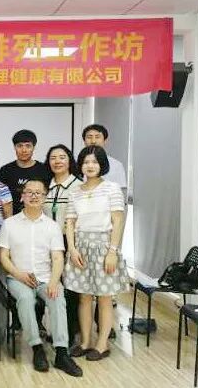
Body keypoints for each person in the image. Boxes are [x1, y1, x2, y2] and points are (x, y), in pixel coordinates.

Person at [0, 179, 83, 377]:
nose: (34, 196)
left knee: (58, 298)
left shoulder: (52, 226)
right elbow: (3, 257)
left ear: (45, 198)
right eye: (29, 192)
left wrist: (54, 282)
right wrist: (19, 274)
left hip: (46, 278)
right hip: (18, 278)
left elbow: (58, 258)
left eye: (39, 193)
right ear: (22, 196)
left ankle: (61, 352)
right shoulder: (9, 224)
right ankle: (37, 348)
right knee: (26, 299)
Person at [64, 145, 130, 361]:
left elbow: (118, 221)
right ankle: (85, 342)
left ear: (102, 165)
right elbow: (70, 222)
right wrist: (72, 248)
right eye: (86, 162)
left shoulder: (111, 188)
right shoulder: (74, 192)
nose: (90, 166)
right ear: (80, 165)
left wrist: (112, 251)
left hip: (104, 246)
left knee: (104, 298)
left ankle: (102, 344)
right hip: (80, 247)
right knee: (83, 297)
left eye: (94, 162)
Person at [43, 144, 82, 344]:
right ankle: (54, 329)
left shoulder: (78, 186)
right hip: (48, 243)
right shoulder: (46, 186)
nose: (57, 161)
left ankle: (70, 332)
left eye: (62, 157)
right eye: (53, 158)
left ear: (69, 160)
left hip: (70, 242)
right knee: (53, 286)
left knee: (71, 288)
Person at [0, 129, 50, 214]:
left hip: (38, 217)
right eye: (20, 146)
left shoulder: (44, 170)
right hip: (12, 218)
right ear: (14, 147)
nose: (24, 150)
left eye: (28, 146)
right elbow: (1, 199)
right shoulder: (5, 171)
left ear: (34, 147)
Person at [82, 124, 127, 197]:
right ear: (84, 141)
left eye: (97, 137)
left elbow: (120, 194)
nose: (93, 141)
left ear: (105, 140)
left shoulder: (116, 165)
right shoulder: (77, 163)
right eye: (89, 137)